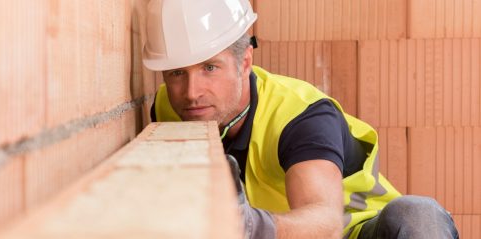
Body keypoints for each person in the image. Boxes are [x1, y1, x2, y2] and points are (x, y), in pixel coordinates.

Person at [136, 0, 459, 238]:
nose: (192, 93)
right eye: (177, 72)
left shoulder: (301, 115)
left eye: (209, 68)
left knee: (418, 214)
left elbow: (325, 222)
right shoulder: (170, 106)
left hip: (351, 233)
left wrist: (249, 225)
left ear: (245, 61)